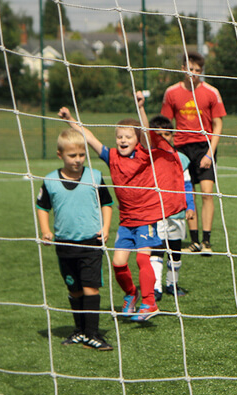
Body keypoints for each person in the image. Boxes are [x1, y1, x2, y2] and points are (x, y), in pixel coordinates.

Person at [59, 92, 186, 322]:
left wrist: (141, 108)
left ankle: (149, 302)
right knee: (118, 263)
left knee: (141, 259)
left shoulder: (144, 154)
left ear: (137, 140)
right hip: (126, 222)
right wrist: (70, 120)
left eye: (128, 137)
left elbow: (146, 132)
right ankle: (131, 294)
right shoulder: (112, 157)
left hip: (146, 218)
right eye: (119, 137)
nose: (123, 140)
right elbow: (89, 137)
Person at [36, 128, 114, 351]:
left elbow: (107, 204)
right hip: (64, 245)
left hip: (91, 243)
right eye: (72, 156)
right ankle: (80, 331)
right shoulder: (50, 181)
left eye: (81, 155)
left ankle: (93, 335)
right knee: (75, 290)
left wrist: (105, 227)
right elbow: (42, 206)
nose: (78, 160)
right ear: (60, 155)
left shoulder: (95, 176)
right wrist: (45, 230)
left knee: (91, 288)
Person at [161, 51, 226, 256]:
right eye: (190, 69)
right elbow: (165, 126)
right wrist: (169, 151)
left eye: (198, 70)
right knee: (189, 196)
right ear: (182, 69)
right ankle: (194, 240)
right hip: (181, 150)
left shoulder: (211, 92)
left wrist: (210, 153)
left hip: (204, 147)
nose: (194, 73)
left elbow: (218, 124)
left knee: (207, 193)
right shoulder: (171, 93)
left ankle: (206, 241)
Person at [148, 114, 196, 299]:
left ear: (173, 136)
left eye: (167, 134)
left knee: (175, 251)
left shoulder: (181, 159)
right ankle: (156, 287)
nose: (164, 138)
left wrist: (190, 206)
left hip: (176, 214)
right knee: (157, 249)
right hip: (156, 212)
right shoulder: (150, 158)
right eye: (159, 135)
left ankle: (172, 284)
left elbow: (187, 185)